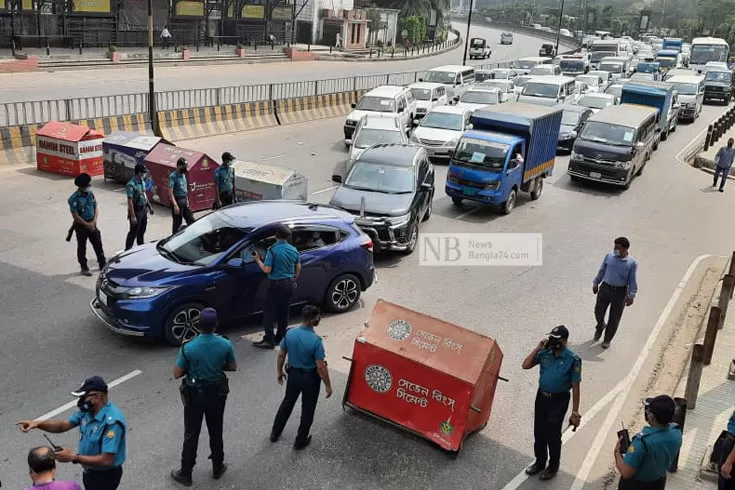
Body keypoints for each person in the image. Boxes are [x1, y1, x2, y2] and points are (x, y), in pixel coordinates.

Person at [17, 376, 127, 490]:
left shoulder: (112, 422)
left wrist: (74, 457)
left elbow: (107, 460)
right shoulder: (87, 412)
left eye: (84, 397)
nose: (82, 401)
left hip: (105, 476)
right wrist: (38, 424)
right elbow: (63, 425)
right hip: (89, 471)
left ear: (99, 396)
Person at [170, 308, 237, 487]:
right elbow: (232, 366)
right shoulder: (225, 344)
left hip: (195, 395)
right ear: (216, 325)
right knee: (216, 430)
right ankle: (217, 465)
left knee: (191, 434)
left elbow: (177, 373)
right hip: (217, 393)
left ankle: (186, 472)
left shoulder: (188, 347)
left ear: (198, 325)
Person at [522, 325, 582, 481]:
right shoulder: (545, 353)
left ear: (564, 340)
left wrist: (575, 412)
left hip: (558, 400)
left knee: (553, 435)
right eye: (551, 338)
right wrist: (537, 348)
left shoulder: (573, 360)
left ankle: (553, 466)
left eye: (556, 340)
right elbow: (525, 365)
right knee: (539, 432)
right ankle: (540, 462)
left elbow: (575, 387)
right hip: (541, 397)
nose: (552, 342)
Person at [270, 305, 332, 450]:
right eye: (317, 317)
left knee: (287, 402)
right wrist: (327, 385)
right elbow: (321, 366)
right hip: (310, 378)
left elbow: (281, 354)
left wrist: (279, 371)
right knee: (308, 408)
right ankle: (300, 441)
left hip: (293, 375)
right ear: (312, 320)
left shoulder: (290, 333)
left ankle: (275, 433)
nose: (319, 319)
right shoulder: (316, 341)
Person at [615, 395, 682, 489]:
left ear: (652, 417)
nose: (646, 412)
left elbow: (626, 473)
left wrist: (617, 453)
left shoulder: (642, 442)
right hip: (658, 483)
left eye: (649, 411)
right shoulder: (676, 432)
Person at [252, 224, 301, 349]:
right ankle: (280, 337)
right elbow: (298, 267)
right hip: (289, 284)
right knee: (284, 313)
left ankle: (269, 339)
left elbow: (267, 269)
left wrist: (257, 259)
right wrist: (293, 279)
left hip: (276, 285)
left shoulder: (272, 250)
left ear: (276, 236)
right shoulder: (293, 249)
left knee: (269, 312)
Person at [593, 237, 638, 349]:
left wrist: (631, 296)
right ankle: (600, 325)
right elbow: (602, 270)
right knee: (598, 311)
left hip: (620, 292)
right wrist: (596, 283)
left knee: (614, 318)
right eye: (614, 247)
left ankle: (607, 339)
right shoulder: (609, 256)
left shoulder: (631, 263)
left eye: (617, 248)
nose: (615, 250)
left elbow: (632, 280)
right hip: (605, 288)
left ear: (625, 249)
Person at [68, 173, 106, 277]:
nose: (90, 186)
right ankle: (84, 267)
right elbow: (75, 216)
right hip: (81, 226)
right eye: (88, 184)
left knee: (98, 244)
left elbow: (95, 208)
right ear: (82, 186)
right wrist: (87, 225)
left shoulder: (90, 194)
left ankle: (102, 264)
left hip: (92, 223)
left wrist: (94, 221)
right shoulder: (74, 198)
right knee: (82, 247)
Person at [124, 164, 149, 250]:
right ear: (139, 173)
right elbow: (130, 201)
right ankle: (127, 250)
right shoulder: (131, 185)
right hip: (136, 210)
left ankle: (141, 247)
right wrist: (133, 216)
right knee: (133, 232)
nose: (144, 174)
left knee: (142, 230)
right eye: (143, 173)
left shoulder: (142, 182)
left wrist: (149, 206)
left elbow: (144, 194)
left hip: (143, 209)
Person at [169, 157, 195, 235]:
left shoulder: (183, 175)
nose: (185, 168)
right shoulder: (173, 176)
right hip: (177, 201)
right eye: (184, 166)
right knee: (177, 222)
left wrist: (187, 200)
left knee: (191, 219)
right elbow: (170, 192)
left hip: (184, 200)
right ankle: (174, 239)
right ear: (179, 166)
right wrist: (175, 205)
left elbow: (185, 188)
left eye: (186, 166)